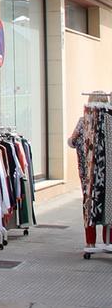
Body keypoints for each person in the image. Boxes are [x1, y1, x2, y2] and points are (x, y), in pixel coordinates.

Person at [69, 91, 111, 254]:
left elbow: (72, 141)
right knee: (109, 204)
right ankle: (109, 241)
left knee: (89, 205)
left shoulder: (83, 121)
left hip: (88, 175)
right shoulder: (109, 120)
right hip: (108, 174)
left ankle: (90, 243)